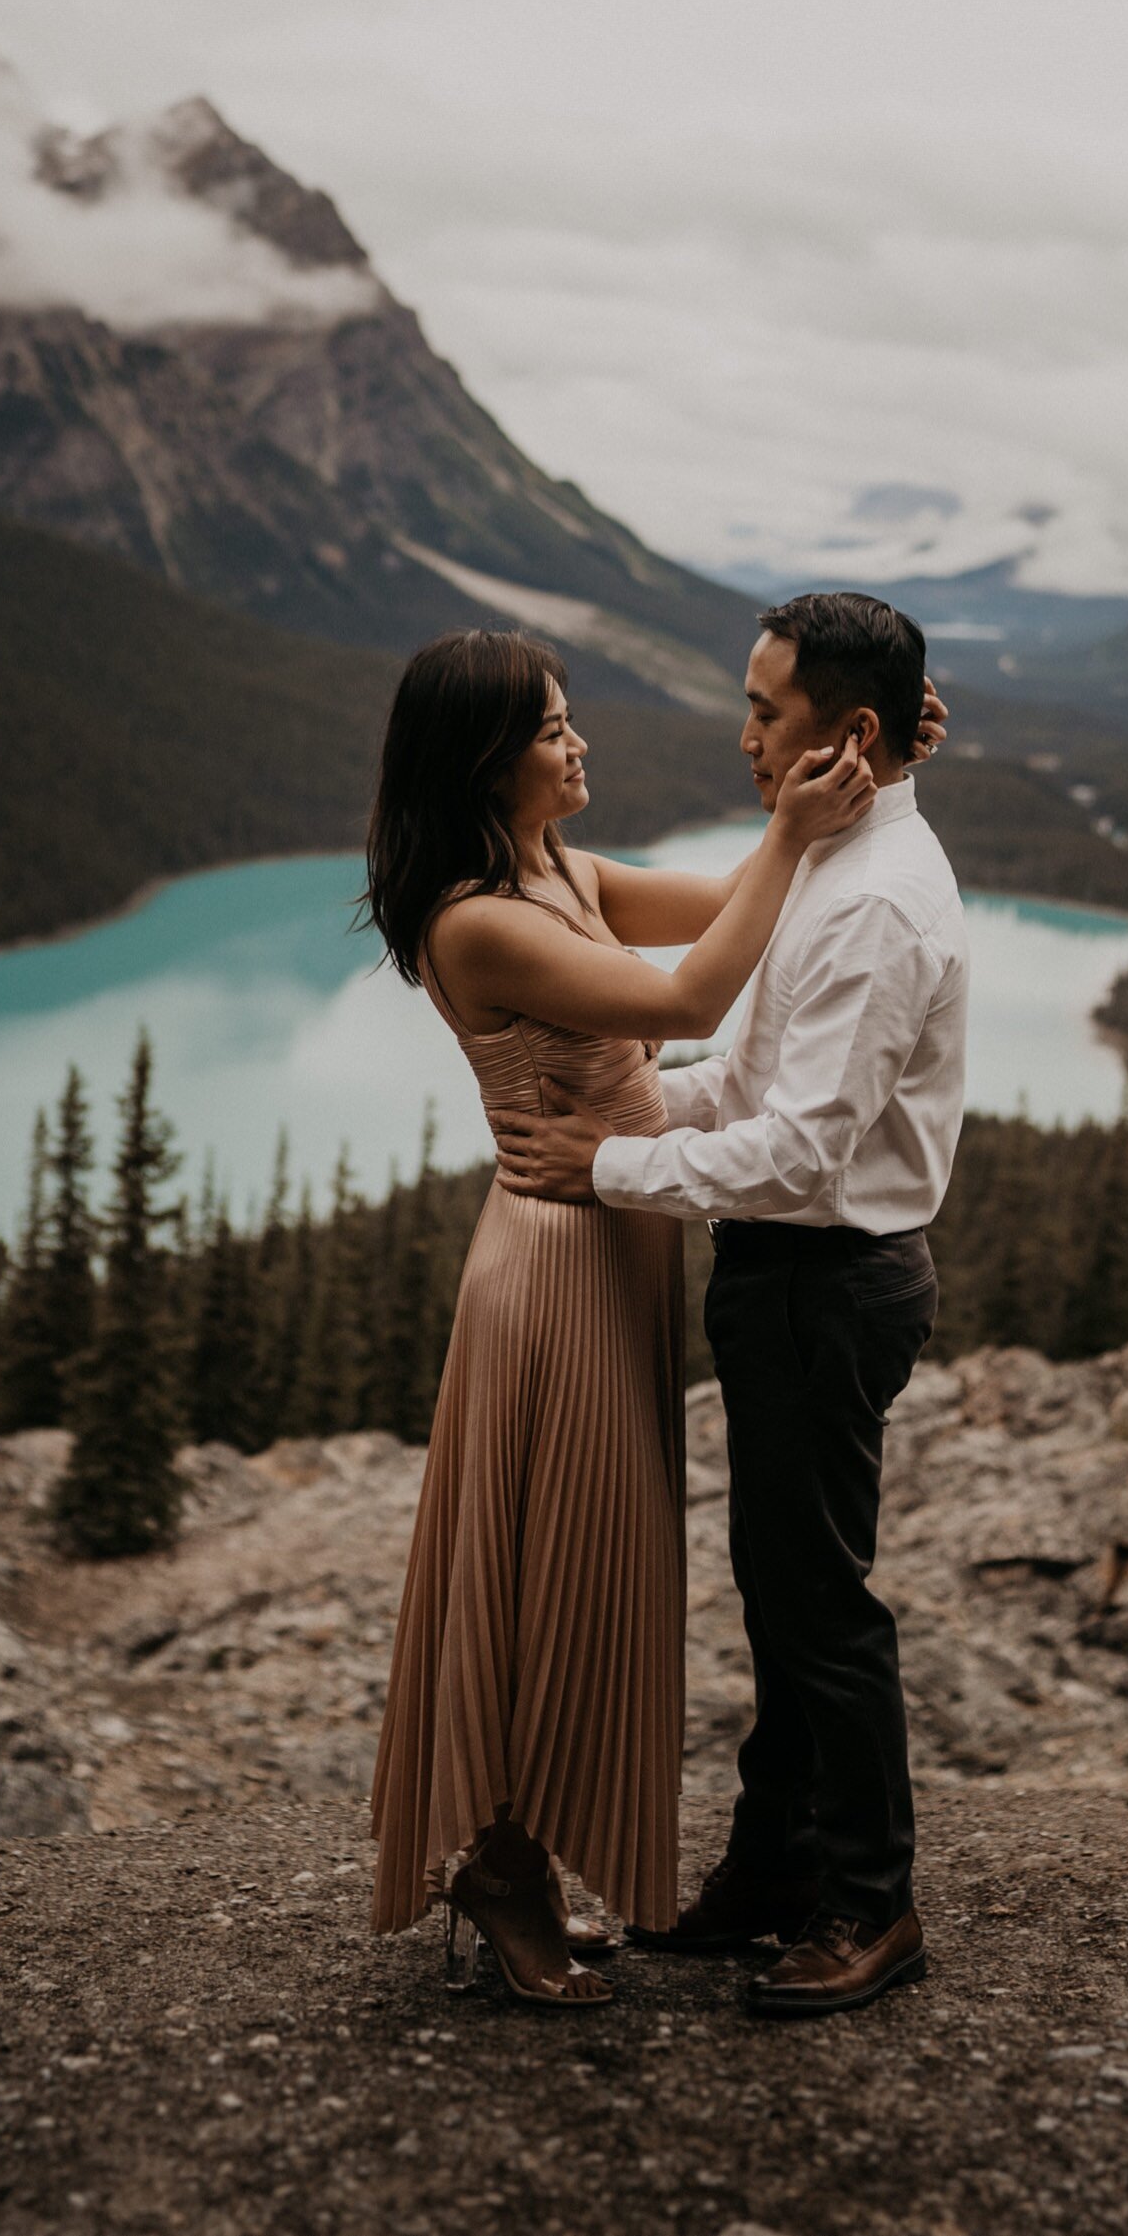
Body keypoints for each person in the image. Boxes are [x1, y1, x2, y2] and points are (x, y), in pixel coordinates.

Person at [365, 625, 879, 2007]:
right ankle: (501, 1861)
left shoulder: (564, 873)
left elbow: (739, 897)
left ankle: (519, 1850)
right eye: (550, 725)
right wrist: (792, 820)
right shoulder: (476, 919)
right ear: (485, 759)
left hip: (619, 1249)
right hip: (554, 1267)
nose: (577, 739)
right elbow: (693, 988)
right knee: (551, 1563)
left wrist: (866, 768)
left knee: (589, 1559)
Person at [492, 591, 966, 2020]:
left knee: (821, 1605)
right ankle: (774, 1869)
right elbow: (752, 1077)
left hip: (825, 1278)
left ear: (852, 733)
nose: (745, 733)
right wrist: (639, 1118)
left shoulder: (874, 902)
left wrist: (608, 1159)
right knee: (782, 1591)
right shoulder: (837, 850)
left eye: (767, 709)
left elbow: (805, 1148)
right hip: (786, 1275)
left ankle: (873, 1905)